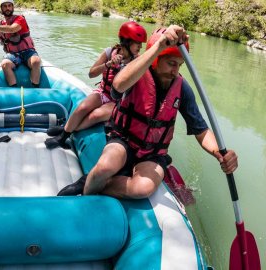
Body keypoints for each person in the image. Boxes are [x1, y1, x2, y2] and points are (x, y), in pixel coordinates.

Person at [57, 25, 238, 198]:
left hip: (154, 153)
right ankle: (90, 186)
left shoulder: (182, 88)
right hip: (123, 140)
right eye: (171, 63)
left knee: (142, 189)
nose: (175, 71)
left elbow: (201, 130)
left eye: (179, 65)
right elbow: (118, 86)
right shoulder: (136, 72)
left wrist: (219, 153)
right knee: (103, 168)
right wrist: (159, 46)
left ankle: (95, 185)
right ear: (156, 59)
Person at [45, 21, 147, 149]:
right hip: (103, 92)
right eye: (137, 43)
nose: (140, 47)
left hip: (118, 102)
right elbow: (91, 74)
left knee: (96, 115)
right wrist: (108, 64)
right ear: (126, 41)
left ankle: (65, 131)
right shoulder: (110, 52)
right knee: (83, 108)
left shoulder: (138, 61)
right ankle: (63, 136)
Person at [0, 0, 41, 88]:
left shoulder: (20, 19)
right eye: (5, 6)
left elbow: (12, 29)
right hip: (13, 55)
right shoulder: (0, 25)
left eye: (10, 6)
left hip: (28, 52)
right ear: (1, 8)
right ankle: (13, 90)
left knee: (36, 61)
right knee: (5, 64)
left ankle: (35, 88)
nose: (7, 8)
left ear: (13, 7)